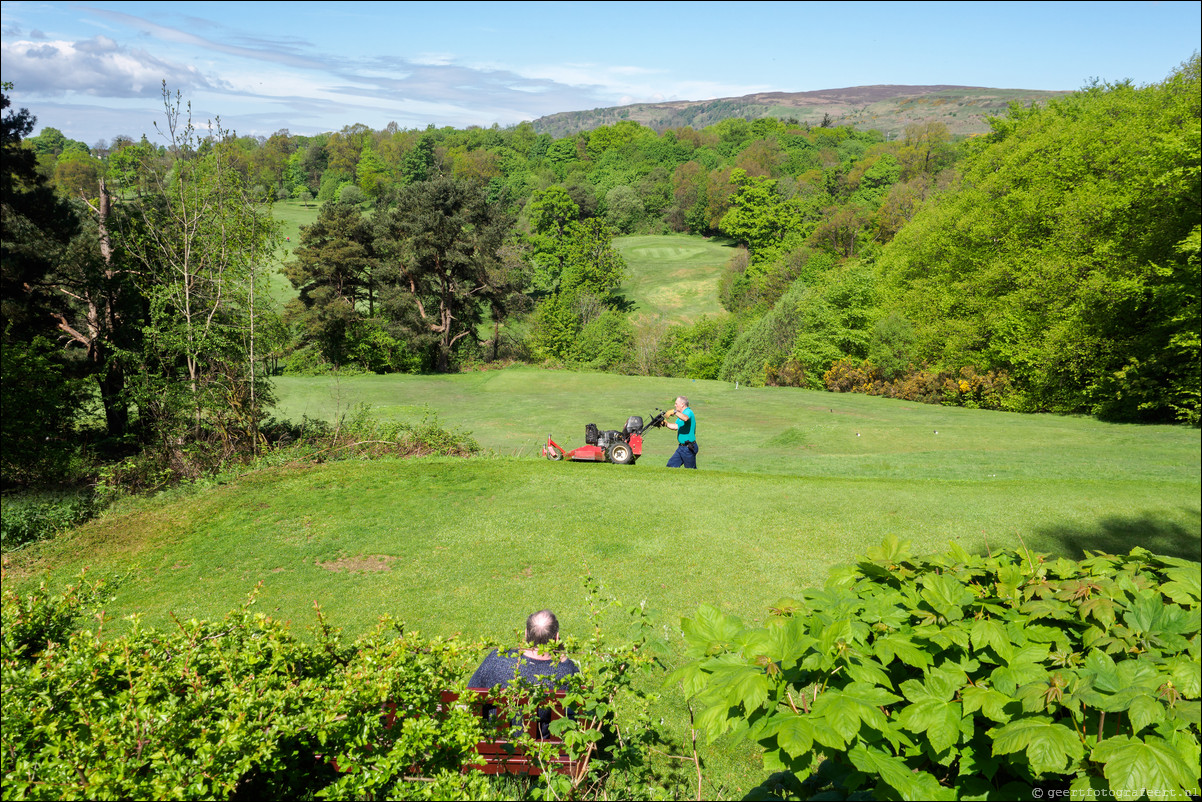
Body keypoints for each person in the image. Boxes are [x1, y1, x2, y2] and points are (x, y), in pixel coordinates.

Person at [469, 609, 579, 690]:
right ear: (556, 638)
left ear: (526, 634)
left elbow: (471, 691)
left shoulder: (496, 659)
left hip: (497, 721)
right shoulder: (566, 672)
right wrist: (563, 657)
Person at [664, 395, 697, 469]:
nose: (675, 405)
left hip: (688, 448)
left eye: (676, 404)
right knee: (670, 466)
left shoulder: (688, 411)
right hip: (681, 448)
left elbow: (685, 418)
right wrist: (665, 424)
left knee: (691, 470)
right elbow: (676, 426)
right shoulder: (680, 416)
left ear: (682, 404)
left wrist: (675, 412)